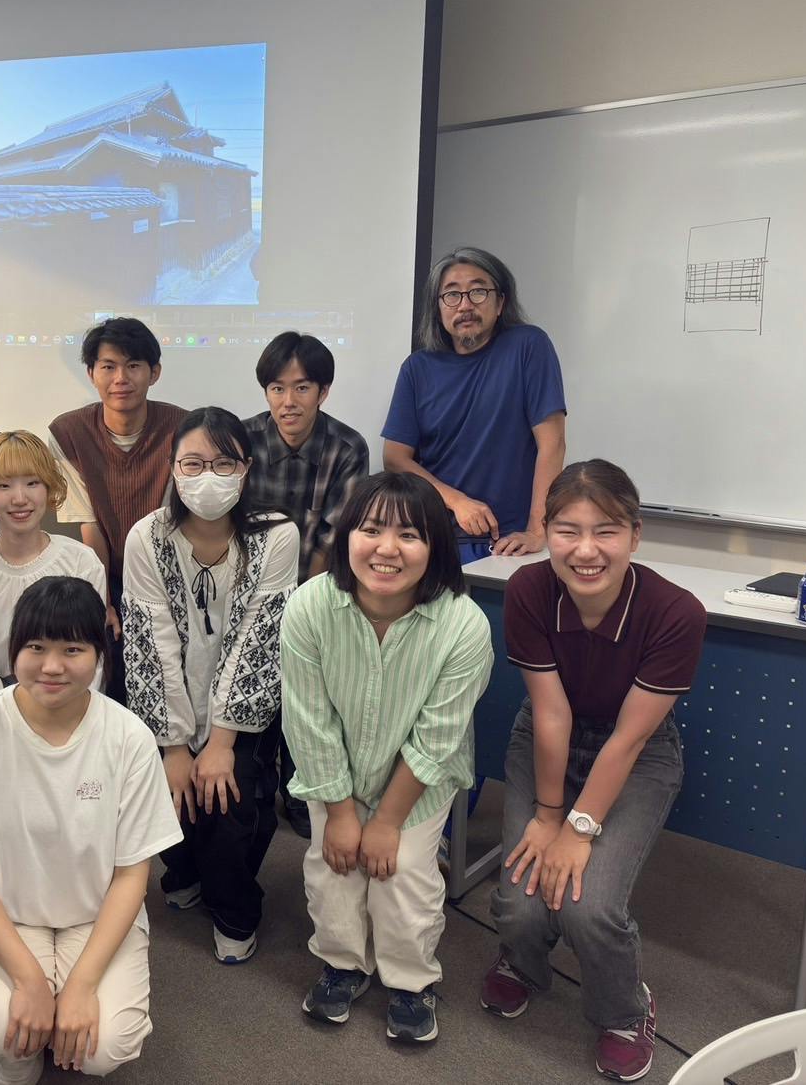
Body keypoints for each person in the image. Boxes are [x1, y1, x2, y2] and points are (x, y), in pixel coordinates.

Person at [481, 460, 705, 1083]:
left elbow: (631, 739)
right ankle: (523, 963)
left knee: (588, 906)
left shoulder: (676, 611)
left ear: (635, 535)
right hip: (546, 737)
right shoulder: (528, 590)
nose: (585, 550)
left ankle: (626, 1011)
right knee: (521, 901)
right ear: (546, 531)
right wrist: (549, 816)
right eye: (567, 530)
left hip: (635, 753)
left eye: (606, 531)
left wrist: (578, 829)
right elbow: (551, 714)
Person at [0, 576, 182, 1085]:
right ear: (14, 648)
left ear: (99, 654)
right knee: (4, 1031)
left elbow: (132, 876)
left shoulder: (128, 737)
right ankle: (17, 1064)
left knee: (106, 1047)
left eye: (72, 649)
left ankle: (61, 1018)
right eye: (35, 647)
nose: (52, 666)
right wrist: (29, 981)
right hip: (8, 914)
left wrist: (80, 986)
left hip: (96, 916)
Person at [282, 471, 492, 1043]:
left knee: (403, 881)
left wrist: (387, 821)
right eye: (371, 529)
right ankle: (343, 964)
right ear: (348, 535)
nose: (387, 549)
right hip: (335, 774)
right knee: (333, 872)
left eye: (410, 535)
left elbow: (438, 737)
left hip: (418, 784)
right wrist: (342, 812)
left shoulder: (463, 625)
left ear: (436, 546)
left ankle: (411, 980)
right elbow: (309, 720)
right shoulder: (309, 606)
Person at [121, 407, 299, 965]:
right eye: (193, 463)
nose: (208, 476)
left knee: (231, 803)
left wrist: (220, 740)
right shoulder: (147, 536)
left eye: (223, 464)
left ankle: (235, 910)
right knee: (168, 798)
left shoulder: (277, 534)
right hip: (167, 704)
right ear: (173, 468)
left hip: (243, 707)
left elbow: (259, 638)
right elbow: (150, 641)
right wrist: (175, 746)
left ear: (245, 468)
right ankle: (185, 872)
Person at [245, 331, 371, 840]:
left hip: (316, 589)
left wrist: (299, 612)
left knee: (310, 697)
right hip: (247, 594)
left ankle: (301, 792)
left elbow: (332, 540)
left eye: (301, 388)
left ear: (323, 391)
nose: (288, 401)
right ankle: (258, 787)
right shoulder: (243, 440)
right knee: (254, 695)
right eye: (277, 388)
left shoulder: (347, 447)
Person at [382, 246, 567, 563]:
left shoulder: (528, 346)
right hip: (432, 536)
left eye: (478, 292)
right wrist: (456, 501)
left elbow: (553, 444)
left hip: (506, 541)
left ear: (500, 302)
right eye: (452, 295)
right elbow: (395, 458)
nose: (465, 305)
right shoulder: (417, 368)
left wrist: (537, 531)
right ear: (438, 308)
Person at [49, 317, 188, 702]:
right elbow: (89, 525)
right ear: (91, 373)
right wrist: (104, 601)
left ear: (154, 373)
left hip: (167, 568)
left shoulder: (183, 427)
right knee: (107, 667)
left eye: (133, 366)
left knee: (169, 680)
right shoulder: (68, 433)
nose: (120, 378)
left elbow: (169, 525)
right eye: (108, 366)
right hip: (103, 571)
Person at [0, 431, 106, 710]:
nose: (19, 498)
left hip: (70, 704)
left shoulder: (81, 562)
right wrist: (5, 720)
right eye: (3, 485)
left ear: (49, 487)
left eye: (32, 483)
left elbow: (92, 657)